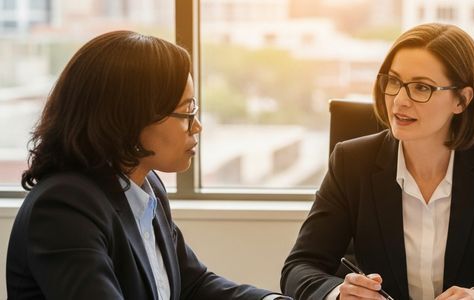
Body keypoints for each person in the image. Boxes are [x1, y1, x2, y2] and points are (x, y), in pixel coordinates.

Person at [281, 23, 474, 300]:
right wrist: (338, 293)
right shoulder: (352, 162)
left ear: (462, 100)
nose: (399, 100)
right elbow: (299, 268)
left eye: (421, 87)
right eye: (394, 82)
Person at [6, 31, 288, 300]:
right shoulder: (64, 208)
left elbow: (192, 284)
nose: (197, 126)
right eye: (187, 112)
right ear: (129, 116)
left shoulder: (145, 185)